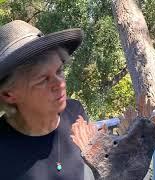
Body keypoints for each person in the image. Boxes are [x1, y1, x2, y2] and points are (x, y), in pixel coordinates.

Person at [0, 20, 95, 180]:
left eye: (59, 70)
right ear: (9, 95)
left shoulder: (75, 113)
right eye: (43, 79)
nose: (60, 83)